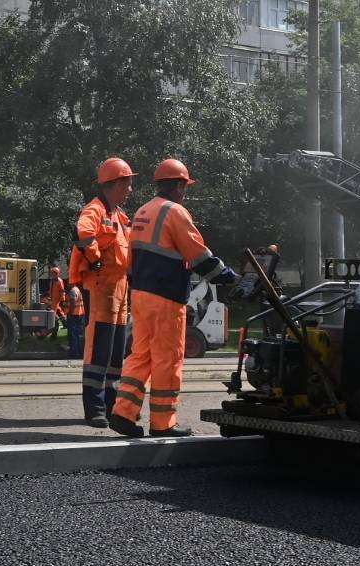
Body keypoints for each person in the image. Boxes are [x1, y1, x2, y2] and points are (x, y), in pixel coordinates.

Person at [109, 159, 238, 439]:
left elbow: (131, 259)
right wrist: (228, 277)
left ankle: (122, 414)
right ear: (179, 185)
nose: (185, 192)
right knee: (168, 358)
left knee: (140, 355)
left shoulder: (143, 211)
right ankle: (163, 423)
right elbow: (198, 254)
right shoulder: (175, 212)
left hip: (141, 294)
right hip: (166, 297)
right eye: (185, 186)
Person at [70, 157, 134, 427]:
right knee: (99, 349)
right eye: (128, 183)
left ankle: (111, 406)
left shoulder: (119, 215)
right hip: (101, 287)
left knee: (116, 351)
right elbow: (82, 232)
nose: (130, 189)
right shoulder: (95, 209)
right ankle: (95, 408)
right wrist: (94, 258)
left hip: (119, 288)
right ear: (115, 183)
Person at [62, 280, 86, 360]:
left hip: (74, 315)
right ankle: (78, 352)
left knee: (73, 335)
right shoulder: (76, 289)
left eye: (68, 282)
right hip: (79, 314)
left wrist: (69, 313)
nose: (66, 284)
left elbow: (73, 303)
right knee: (78, 335)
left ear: (72, 283)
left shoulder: (72, 291)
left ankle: (74, 353)